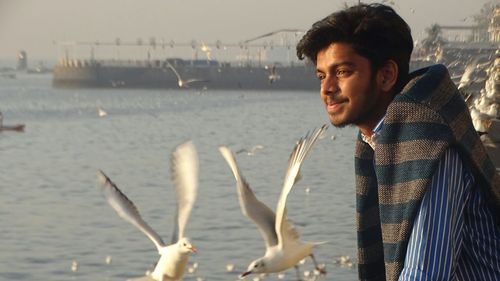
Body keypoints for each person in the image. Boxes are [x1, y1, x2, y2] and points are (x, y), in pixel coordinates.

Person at [296, 3, 500, 281]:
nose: (326, 88)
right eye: (321, 75)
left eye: (342, 72)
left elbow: (425, 273)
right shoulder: (375, 142)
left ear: (386, 75)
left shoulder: (428, 141)